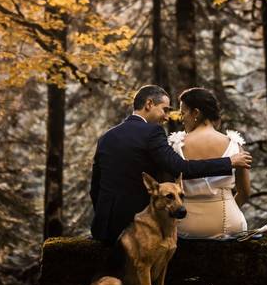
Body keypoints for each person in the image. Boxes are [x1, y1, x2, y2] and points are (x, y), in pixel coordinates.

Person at [89, 85, 252, 243]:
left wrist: (103, 216)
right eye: (165, 109)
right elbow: (181, 168)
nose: (167, 117)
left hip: (105, 226)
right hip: (138, 227)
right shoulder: (152, 132)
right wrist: (229, 162)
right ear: (149, 104)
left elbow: (95, 187)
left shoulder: (106, 137)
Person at [168, 87, 251, 239]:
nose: (181, 118)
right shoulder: (234, 144)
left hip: (187, 227)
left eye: (183, 113)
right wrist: (229, 208)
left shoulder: (176, 146)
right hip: (228, 224)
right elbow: (245, 192)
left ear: (196, 113)